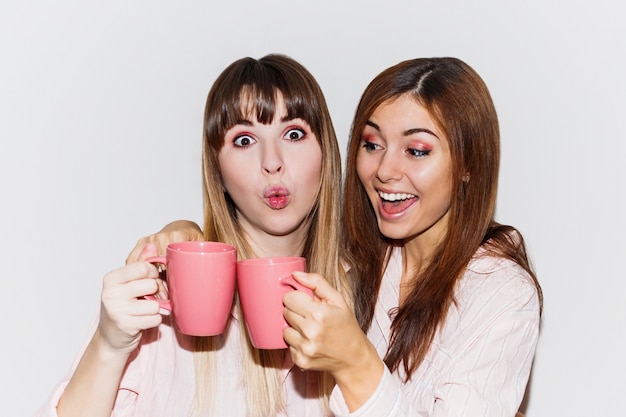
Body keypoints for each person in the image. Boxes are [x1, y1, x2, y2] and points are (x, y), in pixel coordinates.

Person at [143, 57, 543, 417]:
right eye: (372, 144)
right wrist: (185, 235)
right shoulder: (361, 257)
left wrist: (357, 364)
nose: (385, 169)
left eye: (417, 150)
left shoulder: (500, 294)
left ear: (468, 164)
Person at [34, 53, 350, 417]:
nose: (272, 161)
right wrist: (109, 345)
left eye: (293, 134)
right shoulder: (165, 295)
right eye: (245, 140)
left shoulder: (367, 294)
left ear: (326, 151)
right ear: (217, 171)